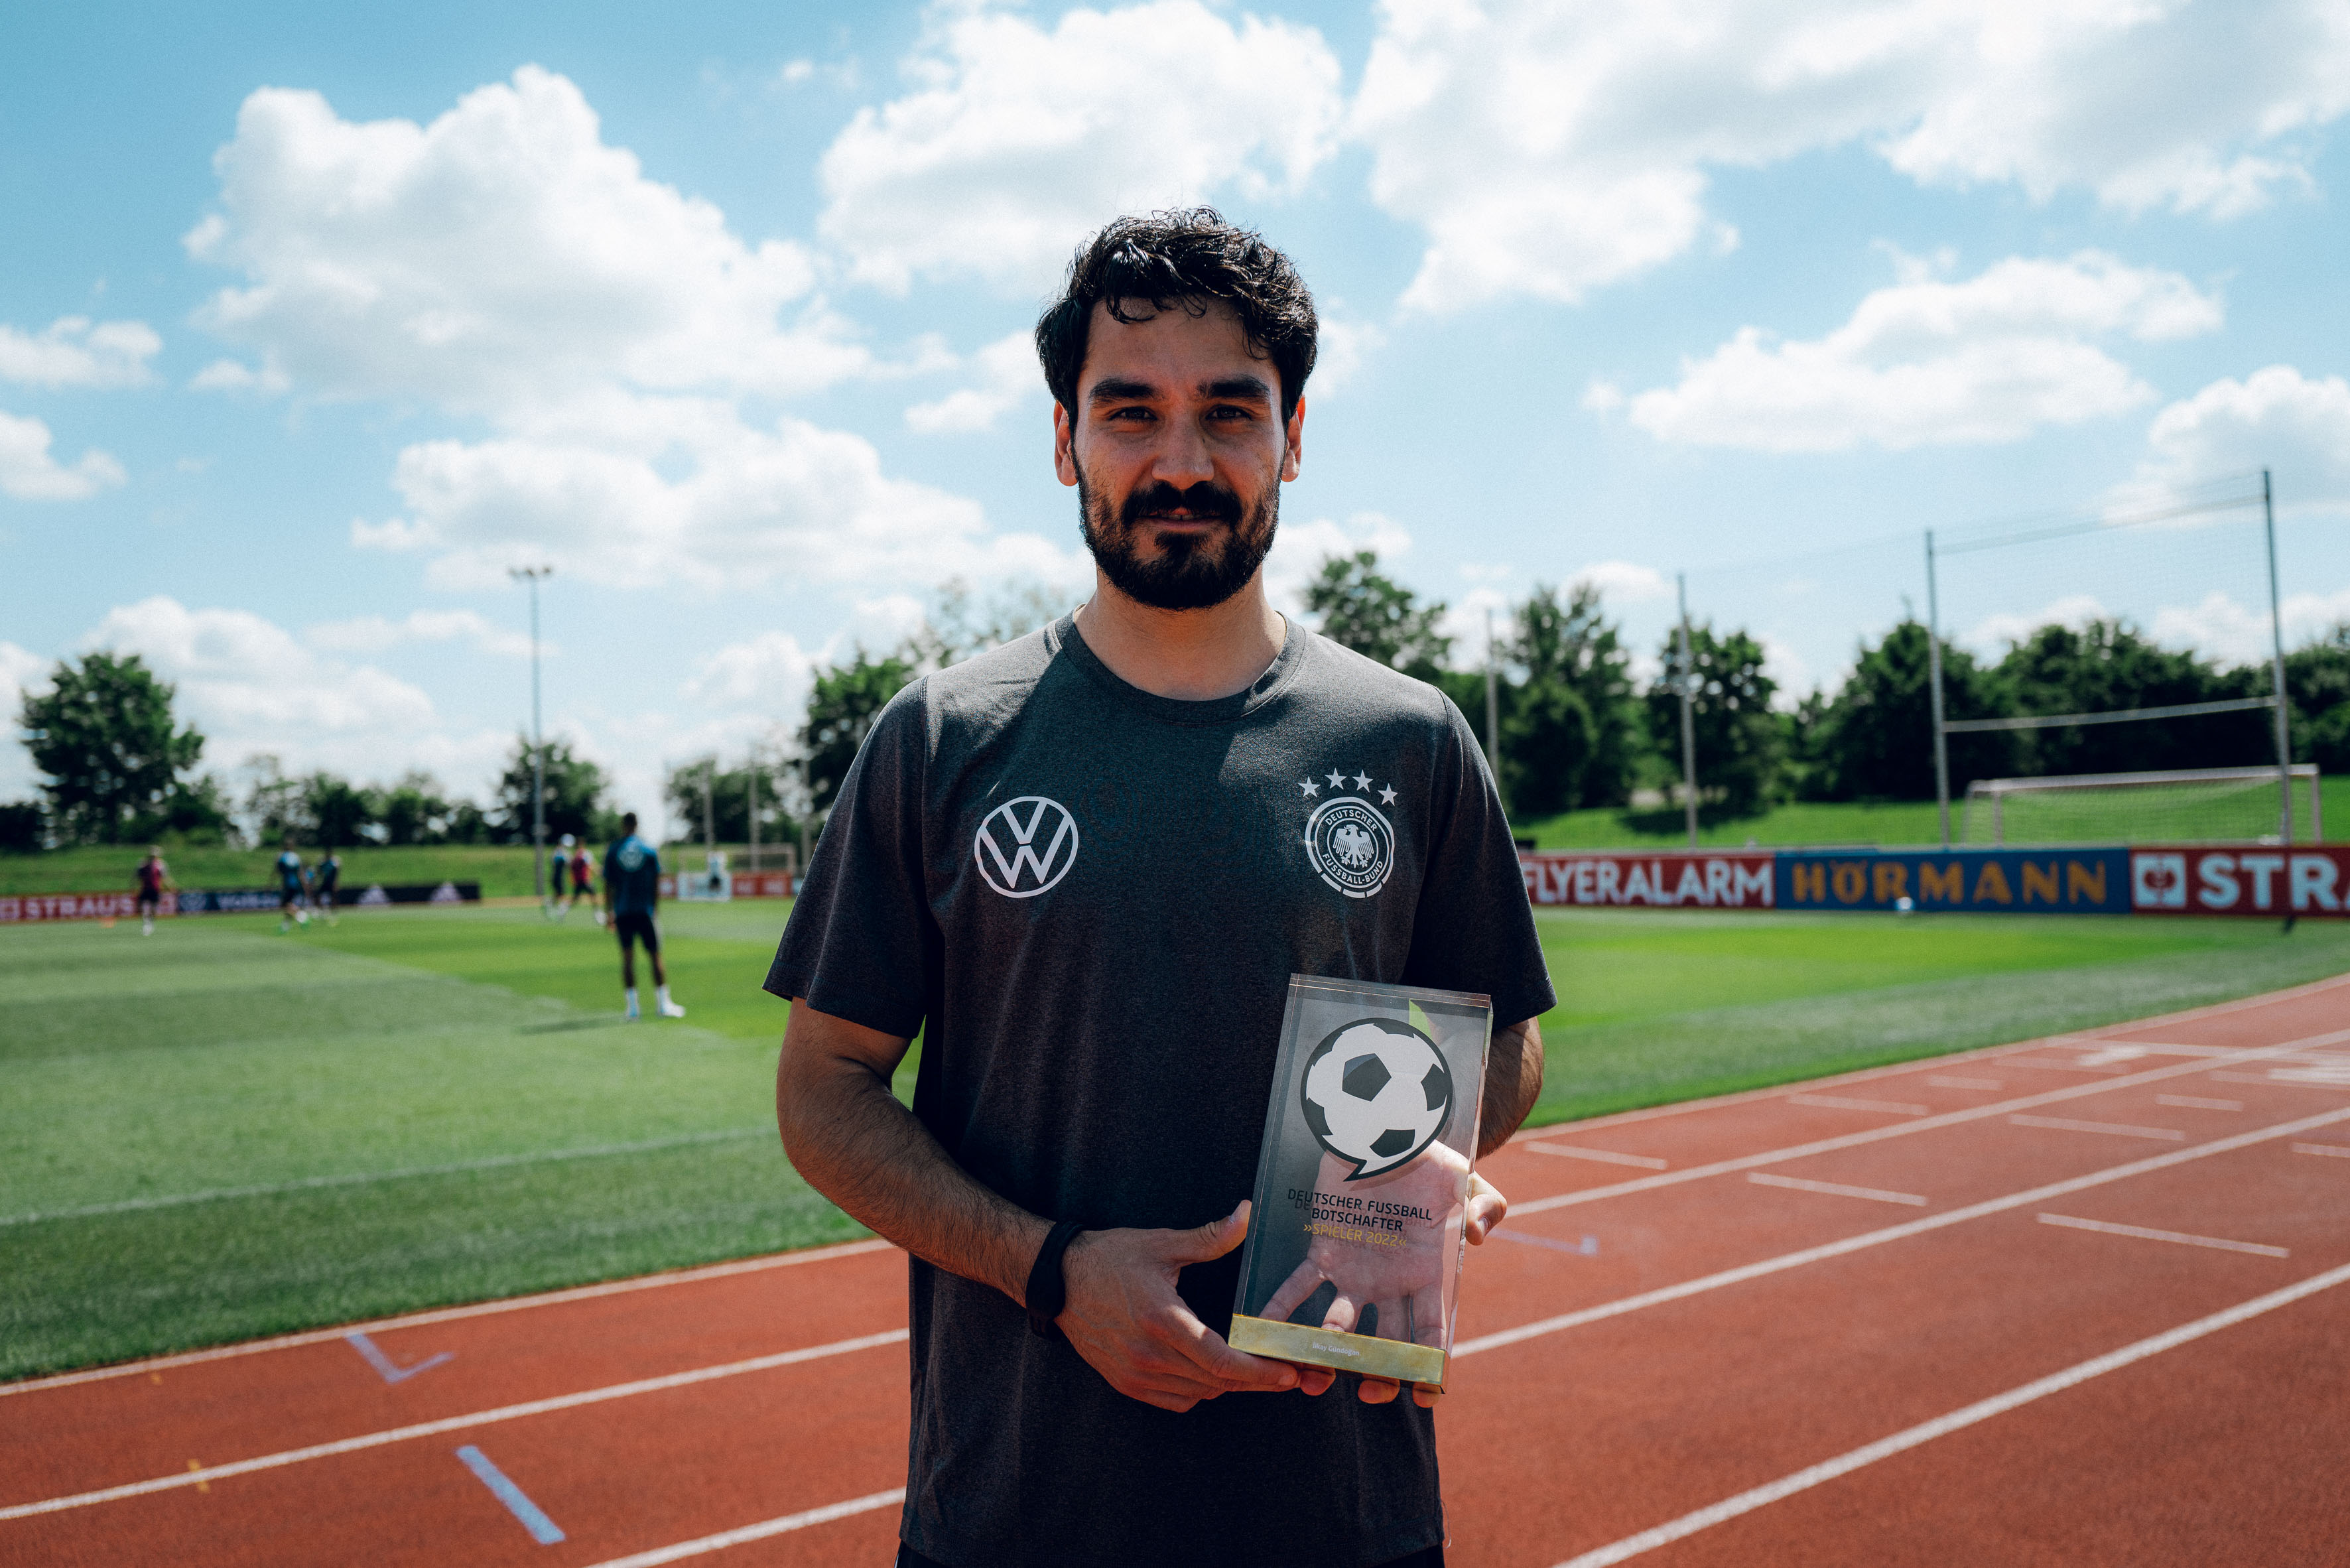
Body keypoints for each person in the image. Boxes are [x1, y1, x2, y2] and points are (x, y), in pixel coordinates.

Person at [771, 210, 1552, 1568]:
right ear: (1063, 438)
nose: (1179, 462)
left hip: (1339, 1512)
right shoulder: (941, 736)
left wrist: (1426, 1158)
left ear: (1291, 438)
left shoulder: (1410, 739)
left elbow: (1509, 1042)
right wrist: (1049, 1266)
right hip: (1018, 1510)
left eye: (1228, 413)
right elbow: (822, 1090)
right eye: (1129, 412)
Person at [603, 813, 685, 1019]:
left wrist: (609, 911)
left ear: (623, 825)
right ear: (637, 825)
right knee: (655, 956)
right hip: (644, 910)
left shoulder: (614, 850)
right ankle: (663, 1004)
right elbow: (656, 881)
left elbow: (608, 884)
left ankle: (632, 1008)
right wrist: (655, 907)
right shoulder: (648, 849)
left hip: (623, 910)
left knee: (627, 958)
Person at [133, 845, 173, 936]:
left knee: (154, 907)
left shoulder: (161, 864)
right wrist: (134, 885)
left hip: (156, 889)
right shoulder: (143, 863)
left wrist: (170, 886)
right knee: (140, 906)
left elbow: (165, 877)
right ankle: (146, 921)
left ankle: (150, 923)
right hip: (145, 888)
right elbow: (137, 875)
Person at [274, 836, 308, 933]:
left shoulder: (281, 856)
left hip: (288, 884)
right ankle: (286, 925)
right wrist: (304, 884)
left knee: (285, 904)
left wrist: (271, 883)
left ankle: (302, 916)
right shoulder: (296, 857)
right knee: (288, 904)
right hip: (296, 883)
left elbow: (276, 871)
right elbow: (300, 873)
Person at [569, 838, 600, 925]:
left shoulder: (575, 856)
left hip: (579, 880)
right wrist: (598, 872)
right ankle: (597, 914)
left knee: (576, 899)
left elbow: (571, 868)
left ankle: (563, 909)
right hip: (585, 880)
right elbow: (590, 865)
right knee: (593, 897)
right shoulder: (584, 855)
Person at [312, 848, 342, 927]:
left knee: (334, 897)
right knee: (317, 895)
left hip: (331, 883)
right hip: (324, 882)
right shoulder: (322, 861)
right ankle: (321, 910)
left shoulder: (335, 862)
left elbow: (337, 873)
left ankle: (334, 912)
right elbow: (319, 871)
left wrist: (336, 883)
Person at [551, 833, 574, 917]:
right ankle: (561, 911)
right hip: (557, 876)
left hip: (560, 876)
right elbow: (554, 861)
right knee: (561, 894)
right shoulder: (558, 852)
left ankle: (549, 904)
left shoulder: (563, 852)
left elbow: (569, 864)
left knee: (559, 894)